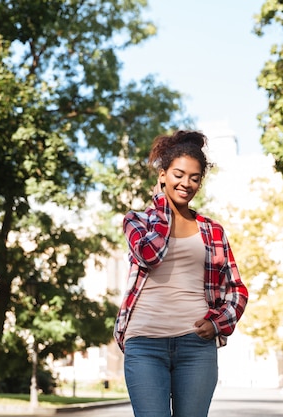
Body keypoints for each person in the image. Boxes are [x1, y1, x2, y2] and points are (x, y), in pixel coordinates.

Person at [113, 129, 249, 417]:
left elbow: (237, 289)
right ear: (162, 175)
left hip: (196, 346)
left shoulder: (213, 231)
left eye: (194, 177)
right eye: (178, 174)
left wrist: (218, 323)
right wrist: (164, 209)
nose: (185, 183)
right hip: (145, 343)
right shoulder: (136, 221)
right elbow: (151, 254)